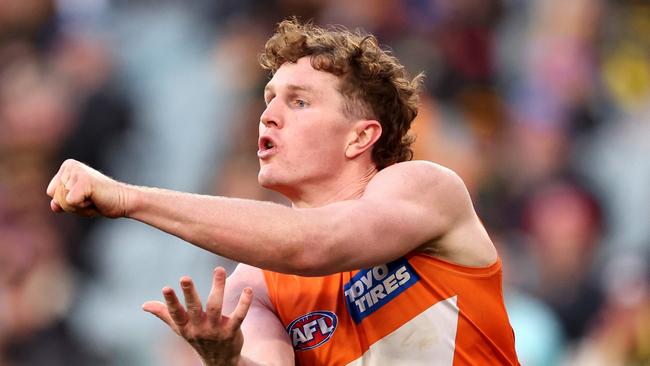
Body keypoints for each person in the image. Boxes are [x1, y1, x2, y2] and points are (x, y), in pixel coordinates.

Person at [46, 18, 519, 366]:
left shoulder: (424, 187)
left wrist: (129, 199)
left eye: (299, 101)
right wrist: (226, 360)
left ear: (360, 136)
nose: (268, 115)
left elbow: (314, 244)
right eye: (269, 99)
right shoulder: (254, 283)